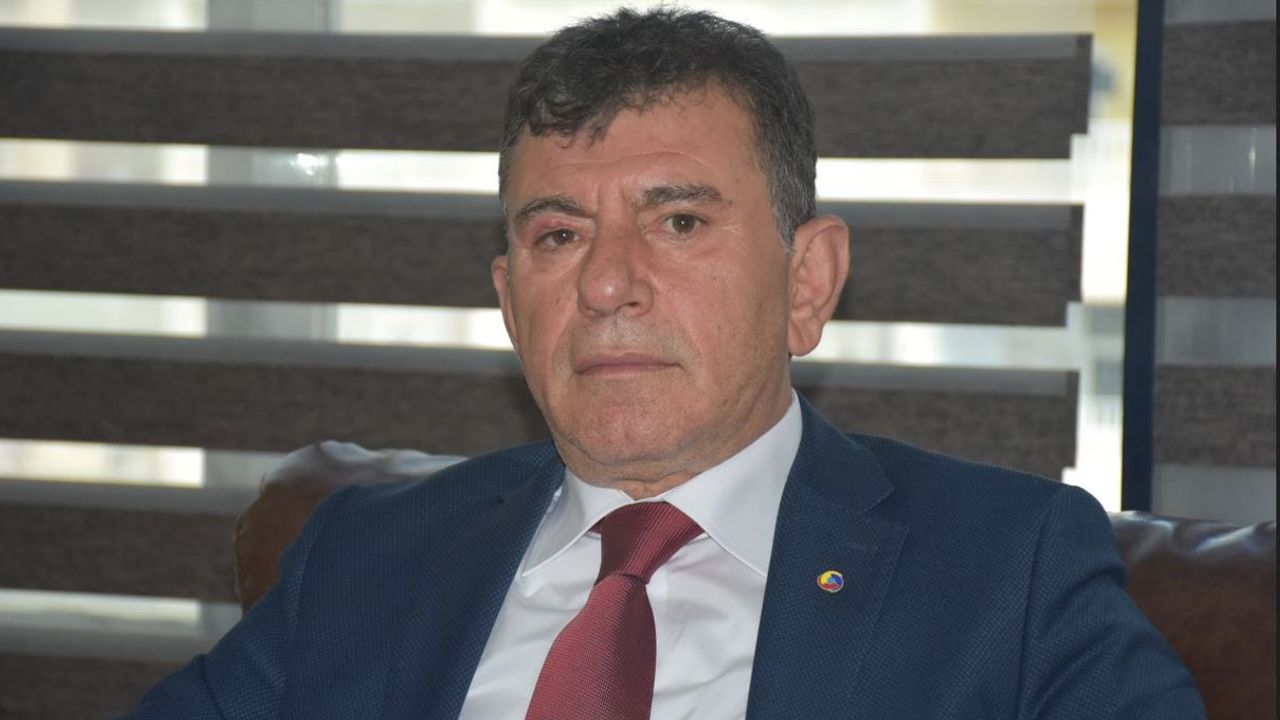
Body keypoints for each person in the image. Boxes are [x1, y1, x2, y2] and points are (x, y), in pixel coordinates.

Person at [124, 8, 1205, 719]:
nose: (606, 285)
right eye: (558, 235)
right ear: (510, 301)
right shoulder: (362, 555)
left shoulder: (1007, 568)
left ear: (807, 282)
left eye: (679, 222)